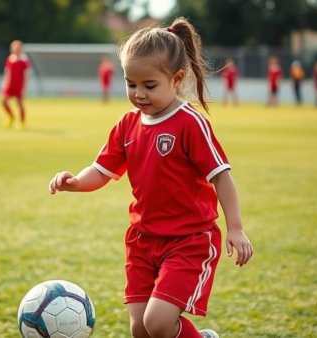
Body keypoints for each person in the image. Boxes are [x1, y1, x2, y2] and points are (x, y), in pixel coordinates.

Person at [48, 17, 253, 338]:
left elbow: (221, 176)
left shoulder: (189, 123)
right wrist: (74, 182)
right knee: (140, 330)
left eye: (149, 85)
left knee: (157, 323)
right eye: (131, 84)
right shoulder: (127, 125)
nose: (138, 94)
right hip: (142, 241)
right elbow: (101, 171)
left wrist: (236, 228)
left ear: (177, 78)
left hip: (189, 240)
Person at [1, 40, 30, 128]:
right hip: (10, 86)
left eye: (18, 48)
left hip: (19, 86)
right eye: (14, 47)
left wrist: (24, 88)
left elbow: (26, 75)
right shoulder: (10, 59)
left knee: (20, 104)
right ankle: (11, 116)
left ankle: (22, 122)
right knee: (3, 101)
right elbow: (7, 73)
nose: (15, 49)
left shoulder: (24, 61)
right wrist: (4, 84)